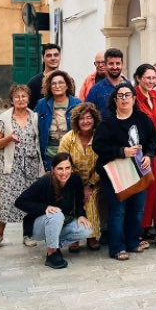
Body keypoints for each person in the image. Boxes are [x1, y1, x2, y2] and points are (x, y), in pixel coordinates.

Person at [93, 81, 156, 260]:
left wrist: (148, 155)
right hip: (116, 175)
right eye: (120, 96)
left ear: (134, 98)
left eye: (127, 95)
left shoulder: (143, 119)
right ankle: (117, 248)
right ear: (114, 100)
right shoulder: (107, 123)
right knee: (118, 211)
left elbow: (152, 140)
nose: (124, 99)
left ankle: (132, 242)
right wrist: (122, 152)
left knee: (137, 209)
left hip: (138, 171)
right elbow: (98, 146)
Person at [15, 152, 93, 268]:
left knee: (86, 229)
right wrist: (44, 207)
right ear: (53, 169)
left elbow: (79, 201)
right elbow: (20, 202)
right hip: (39, 226)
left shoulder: (75, 179)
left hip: (61, 223)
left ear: (72, 168)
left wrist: (81, 215)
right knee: (57, 214)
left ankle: (54, 244)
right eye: (60, 169)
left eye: (67, 168)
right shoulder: (44, 182)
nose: (64, 172)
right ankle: (51, 254)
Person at [0, 84, 41, 249]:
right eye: (17, 97)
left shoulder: (34, 117)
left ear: (28, 98)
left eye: (24, 96)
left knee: (29, 201)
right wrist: (8, 139)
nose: (21, 99)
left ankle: (27, 234)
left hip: (31, 166)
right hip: (10, 167)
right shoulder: (3, 118)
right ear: (12, 100)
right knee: (4, 200)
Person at [57, 102, 103, 250]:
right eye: (82, 118)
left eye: (89, 118)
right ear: (76, 121)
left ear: (94, 119)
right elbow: (62, 162)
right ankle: (74, 237)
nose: (86, 121)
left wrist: (89, 185)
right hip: (70, 181)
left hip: (95, 180)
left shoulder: (100, 138)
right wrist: (78, 186)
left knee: (90, 199)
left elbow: (103, 163)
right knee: (73, 200)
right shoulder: (68, 139)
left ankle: (91, 236)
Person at [133, 63, 156, 240]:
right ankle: (137, 228)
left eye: (154, 78)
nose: (152, 81)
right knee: (140, 188)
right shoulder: (133, 97)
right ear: (138, 78)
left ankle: (148, 225)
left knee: (153, 187)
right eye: (148, 78)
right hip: (140, 150)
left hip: (154, 149)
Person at [35, 70, 82, 170]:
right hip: (49, 157)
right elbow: (34, 128)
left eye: (61, 82)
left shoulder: (78, 104)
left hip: (72, 156)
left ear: (67, 85)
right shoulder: (42, 104)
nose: (57, 86)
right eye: (54, 83)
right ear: (49, 86)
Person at [85, 48, 127, 114]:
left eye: (118, 63)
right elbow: (87, 113)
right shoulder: (96, 90)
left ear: (122, 65)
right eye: (111, 64)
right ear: (106, 65)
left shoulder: (129, 86)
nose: (115, 67)